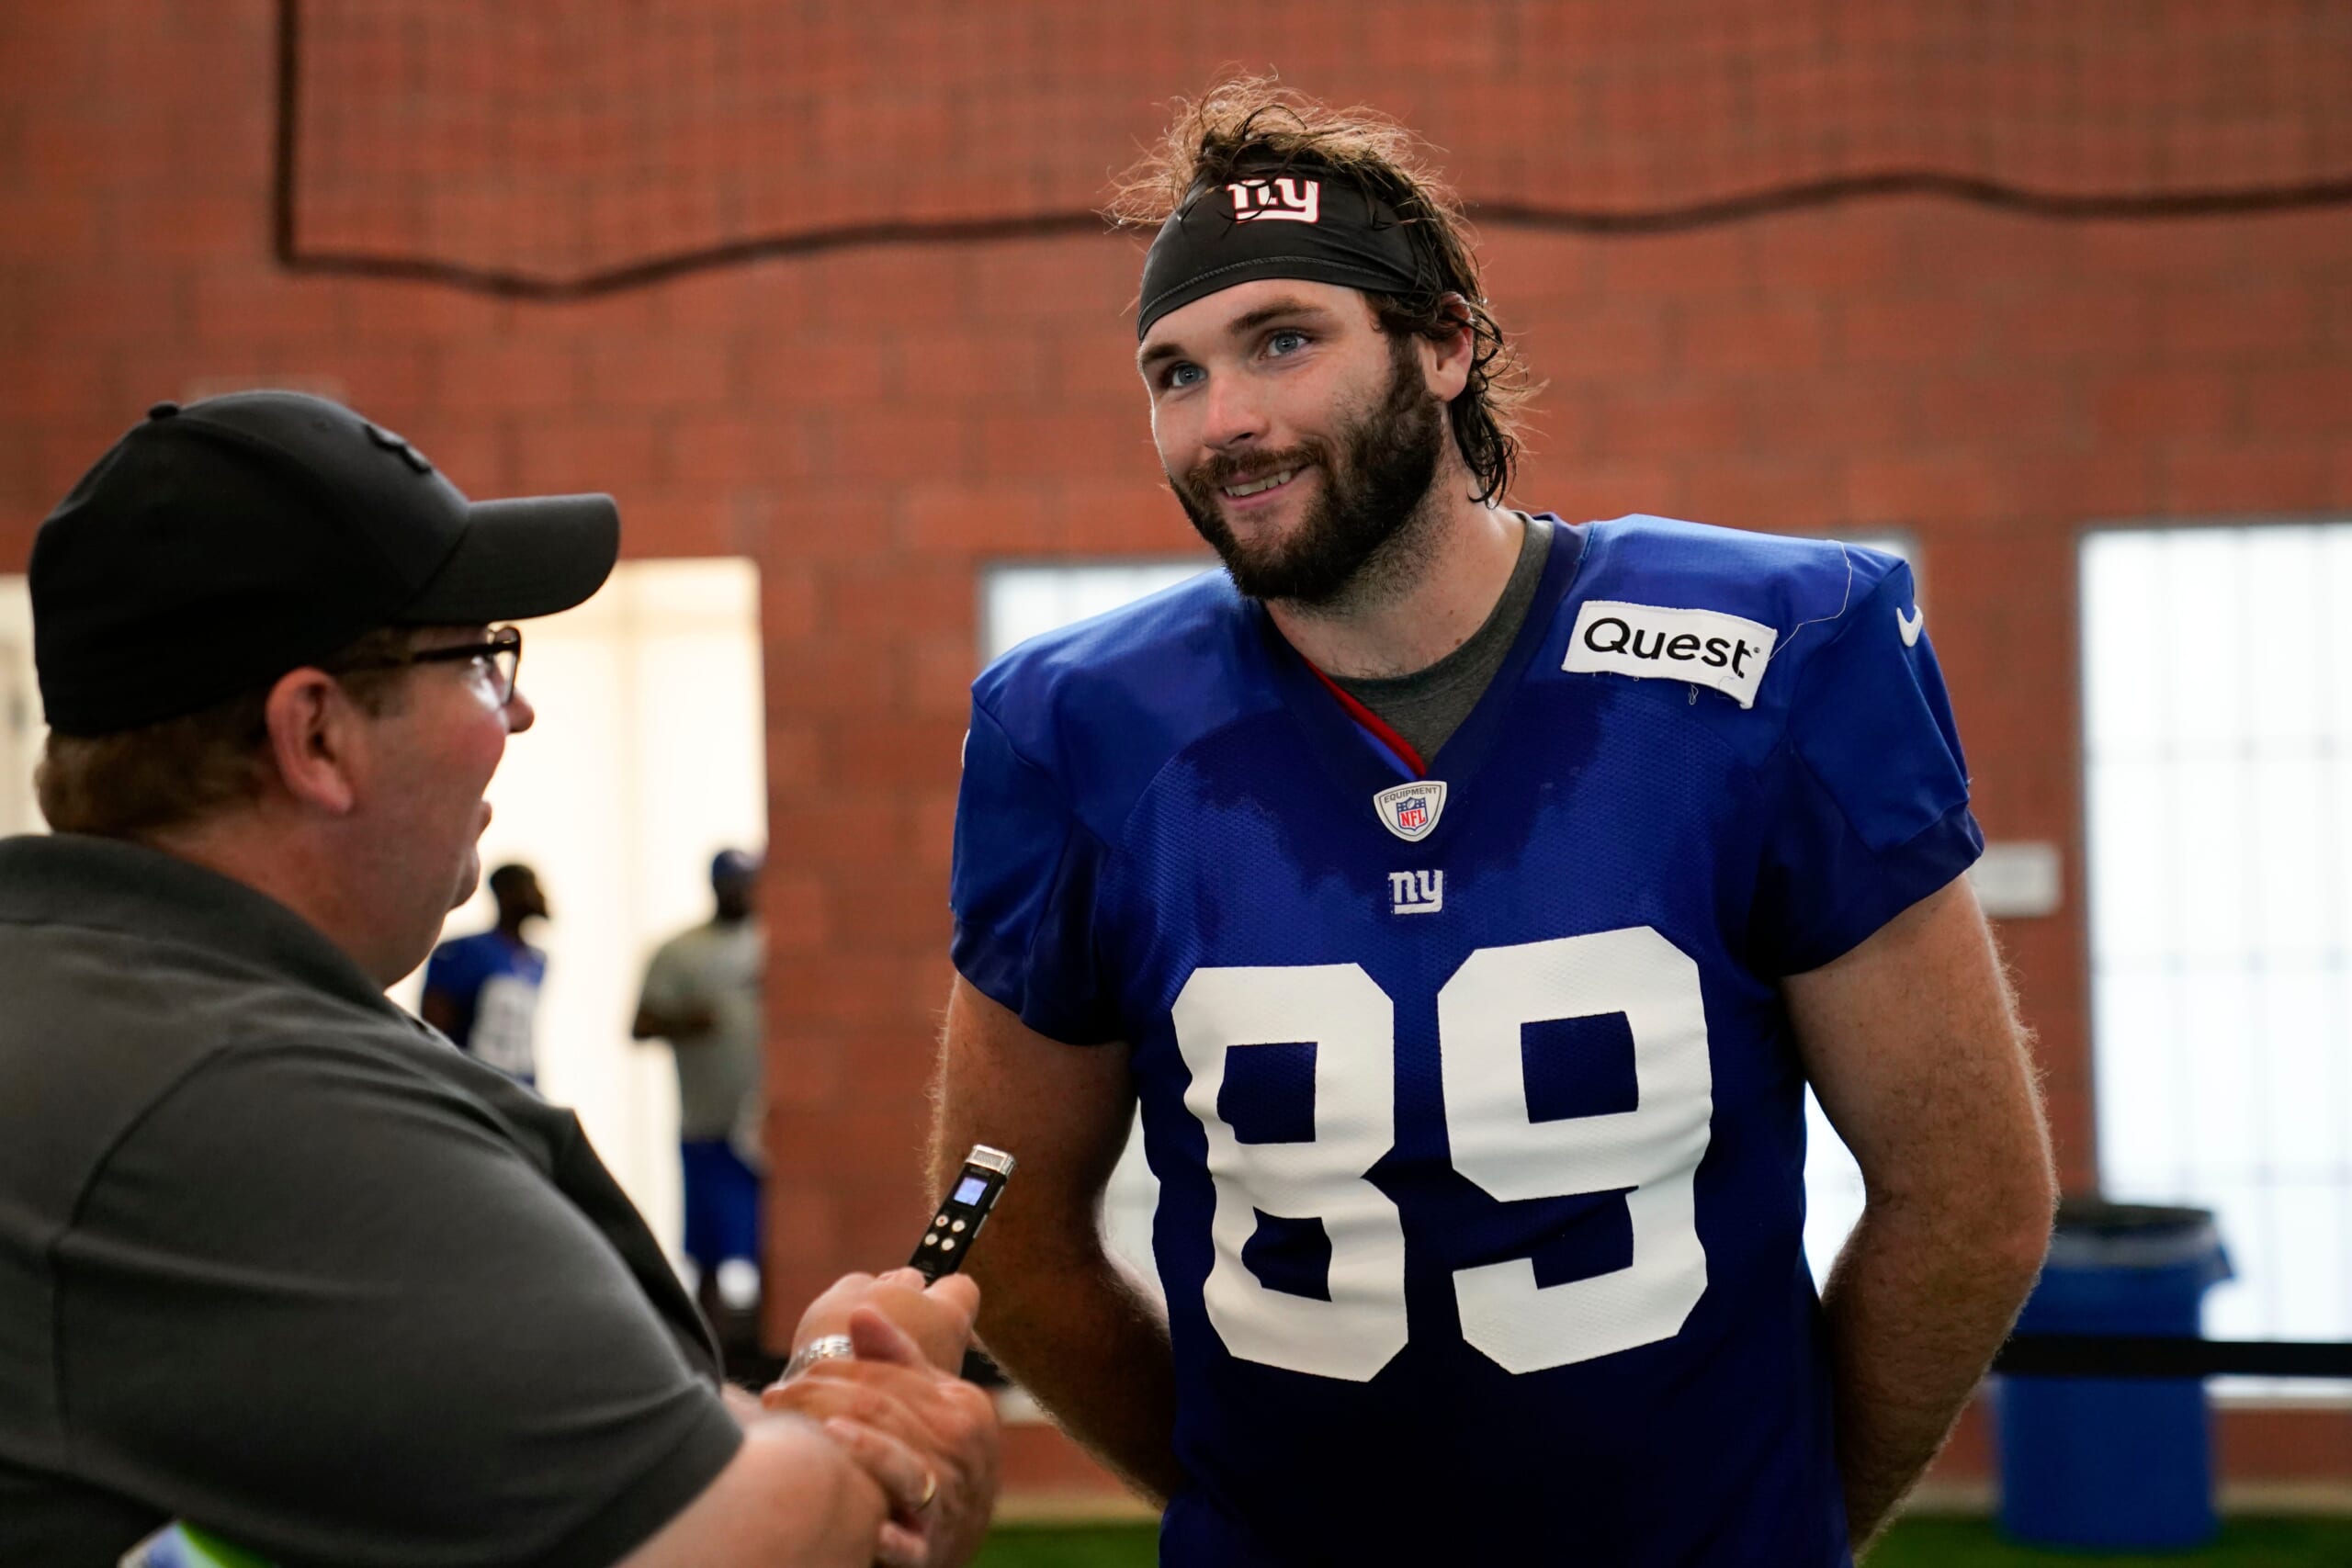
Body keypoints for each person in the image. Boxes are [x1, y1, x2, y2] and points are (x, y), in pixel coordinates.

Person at [930, 80, 2055, 1566]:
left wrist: (1783, 1526)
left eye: (1283, 340)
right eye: (1175, 371)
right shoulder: (1075, 729)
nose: (1228, 421)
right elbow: (1004, 1229)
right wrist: (1234, 1499)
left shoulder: (1777, 651)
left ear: (1448, 343)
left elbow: (1968, 1196)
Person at [0, 391, 996, 1567]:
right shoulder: (238, 1096)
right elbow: (727, 1545)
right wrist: (867, 1404)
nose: (518, 711)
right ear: (315, 735)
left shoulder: (91, 997)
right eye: (480, 659)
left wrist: (773, 1439)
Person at [634, 848, 768, 1315]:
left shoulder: (777, 943)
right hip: (707, 1119)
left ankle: (770, 1335)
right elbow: (640, 1024)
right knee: (709, 1245)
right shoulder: (679, 951)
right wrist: (692, 1021)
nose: (741, 892)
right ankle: (711, 1346)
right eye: (732, 882)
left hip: (769, 1126)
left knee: (773, 1241)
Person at [422, 861, 551, 1084]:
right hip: (474, 1086)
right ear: (506, 893)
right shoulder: (464, 951)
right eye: (531, 885)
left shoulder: (537, 961)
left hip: (522, 1089)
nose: (540, 895)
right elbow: (435, 1027)